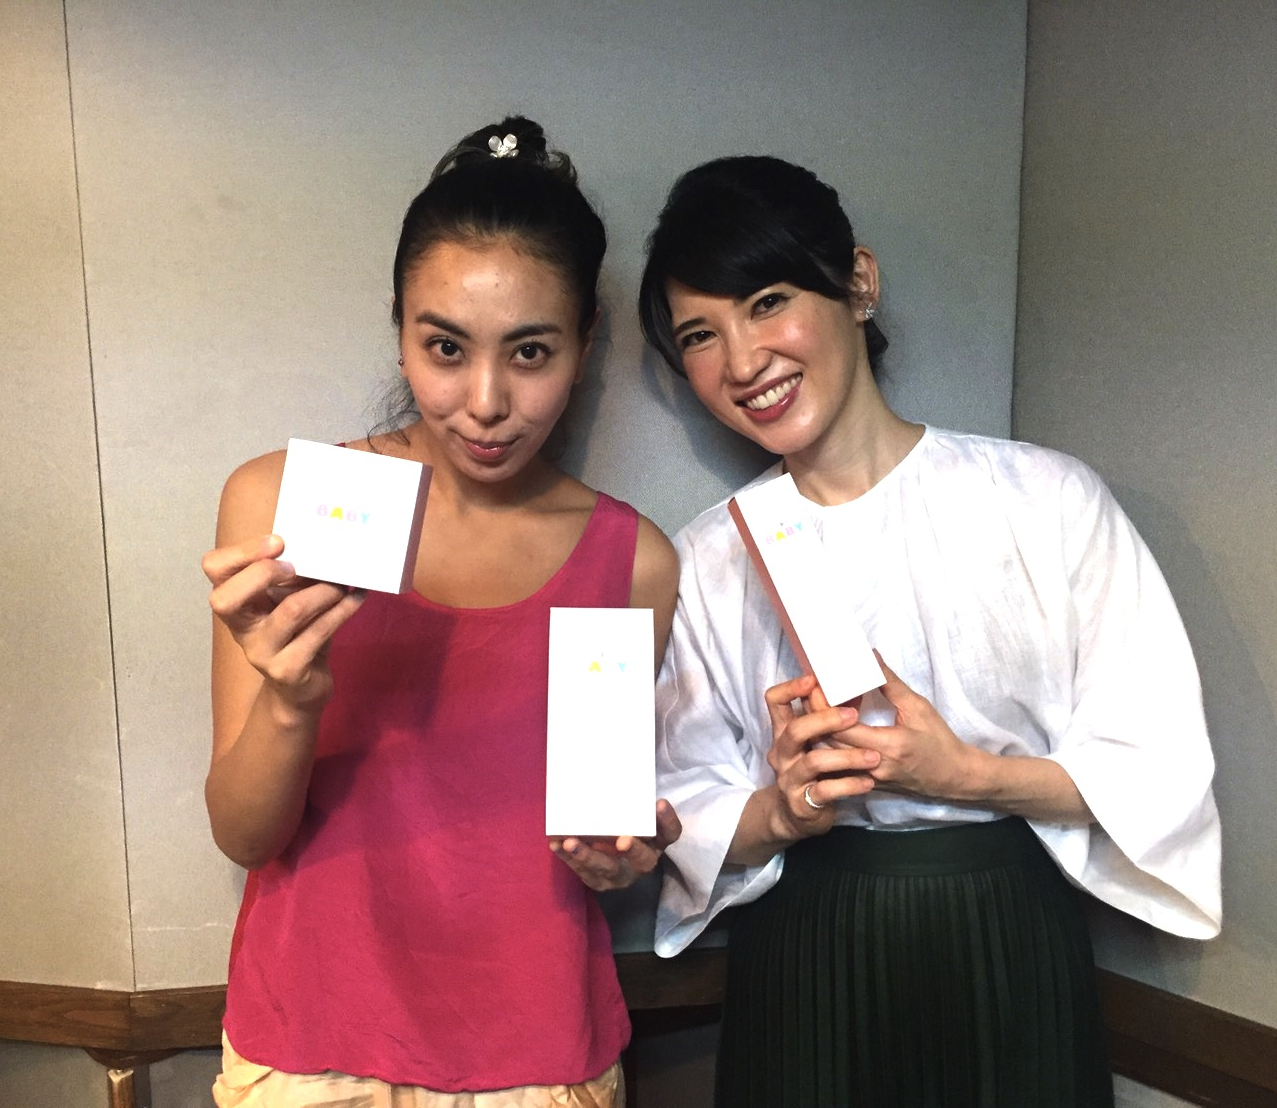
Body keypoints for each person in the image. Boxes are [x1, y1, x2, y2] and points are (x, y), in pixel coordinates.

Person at [637, 155, 1222, 1108]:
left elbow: (1157, 765)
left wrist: (968, 776)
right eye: (700, 334)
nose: (742, 363)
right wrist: (784, 810)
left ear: (858, 283)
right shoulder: (710, 556)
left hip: (1008, 930)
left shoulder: (1046, 499)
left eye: (768, 301)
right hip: (804, 946)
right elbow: (686, 800)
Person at [202, 116, 680, 1108]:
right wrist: (291, 700)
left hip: (539, 1057)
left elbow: (601, 829)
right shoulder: (283, 505)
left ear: (586, 341)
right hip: (310, 1049)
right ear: (399, 330)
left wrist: (619, 858)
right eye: (446, 347)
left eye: (531, 352)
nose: (486, 401)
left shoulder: (630, 560)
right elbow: (244, 836)